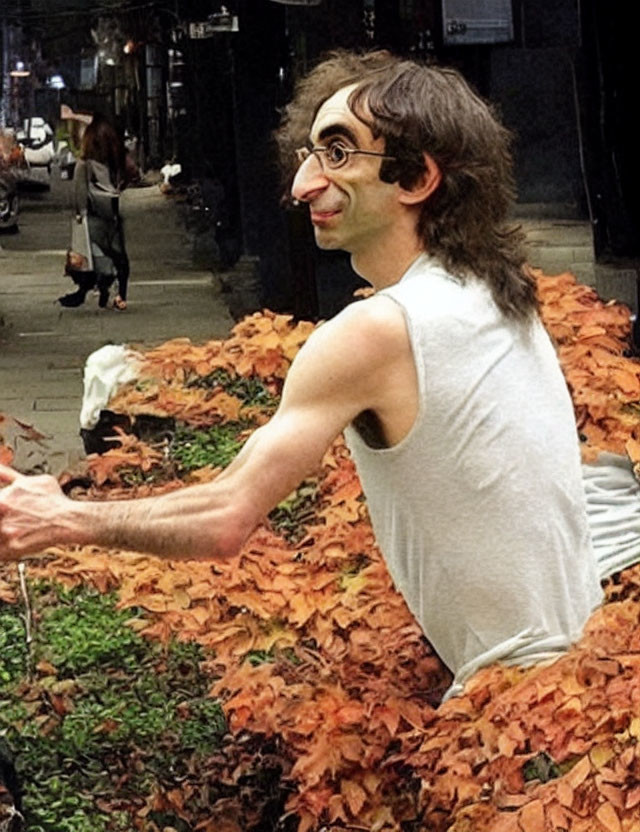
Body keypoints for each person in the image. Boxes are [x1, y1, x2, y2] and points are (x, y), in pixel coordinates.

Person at [1, 51, 603, 700]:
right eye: (309, 155)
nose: (303, 186)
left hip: (521, 718)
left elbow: (225, 516)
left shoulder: (379, 331)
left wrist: (61, 519)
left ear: (418, 177)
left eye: (338, 154)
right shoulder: (492, 292)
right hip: (589, 686)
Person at [58, 113, 130, 311]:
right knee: (118, 255)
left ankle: (91, 288)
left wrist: (79, 215)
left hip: (93, 215)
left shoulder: (84, 164)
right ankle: (121, 295)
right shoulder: (113, 162)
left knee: (90, 255)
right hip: (112, 214)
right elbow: (130, 176)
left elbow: (79, 195)